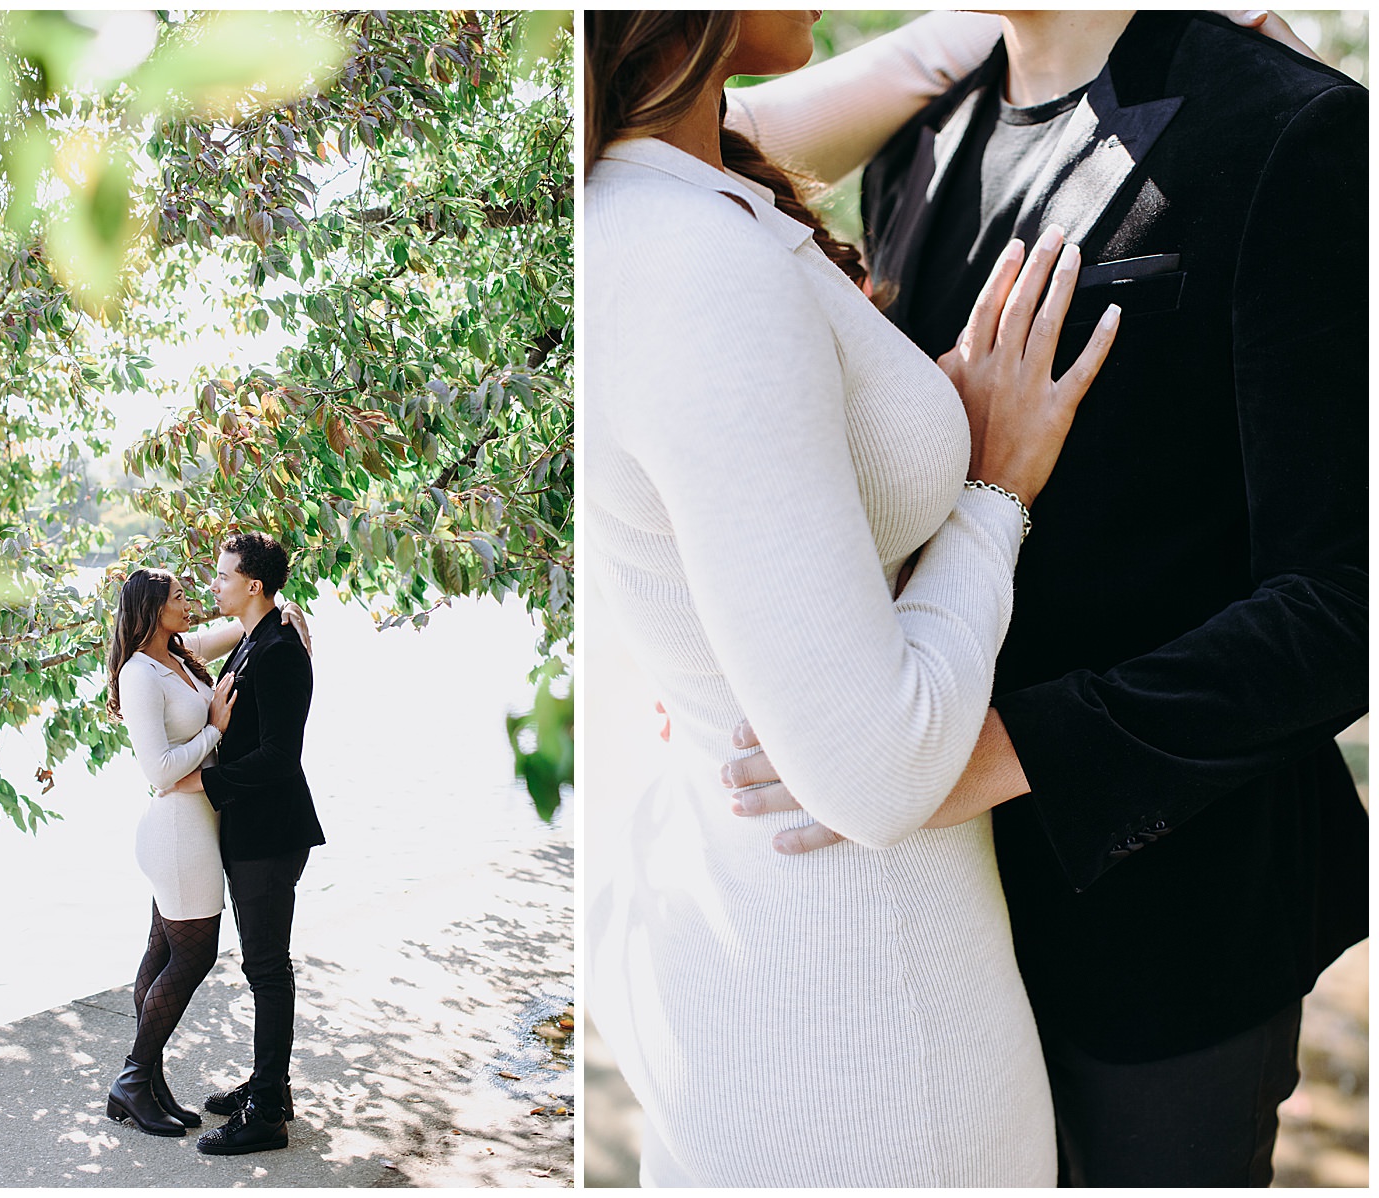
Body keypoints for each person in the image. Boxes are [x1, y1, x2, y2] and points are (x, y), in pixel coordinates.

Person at [721, 10, 1368, 1187]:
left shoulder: (1294, 128)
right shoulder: (916, 141)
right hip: (922, 924)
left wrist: (1003, 751)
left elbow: (1341, 607)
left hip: (1167, 940)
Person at [584, 11, 1122, 1187]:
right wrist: (993, 487)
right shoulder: (689, 265)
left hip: (769, 956)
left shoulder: (655, 196)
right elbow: (876, 774)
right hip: (860, 1029)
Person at [104, 567, 309, 1137]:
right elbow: (161, 771)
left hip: (198, 826)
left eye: (199, 589)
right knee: (191, 958)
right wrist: (216, 728)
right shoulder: (140, 674)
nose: (192, 601)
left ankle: (148, 1082)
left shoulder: (176, 653)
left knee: (160, 954)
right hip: (178, 831)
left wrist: (284, 611)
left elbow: (244, 626)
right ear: (152, 610)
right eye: (179, 597)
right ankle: (132, 1077)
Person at [163, 530, 323, 1156]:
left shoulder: (280, 649)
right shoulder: (257, 639)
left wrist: (205, 779)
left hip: (270, 831)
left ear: (252, 584)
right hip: (252, 828)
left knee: (265, 968)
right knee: (264, 965)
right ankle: (270, 1085)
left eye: (224, 575)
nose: (214, 585)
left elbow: (282, 757)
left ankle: (266, 1115)